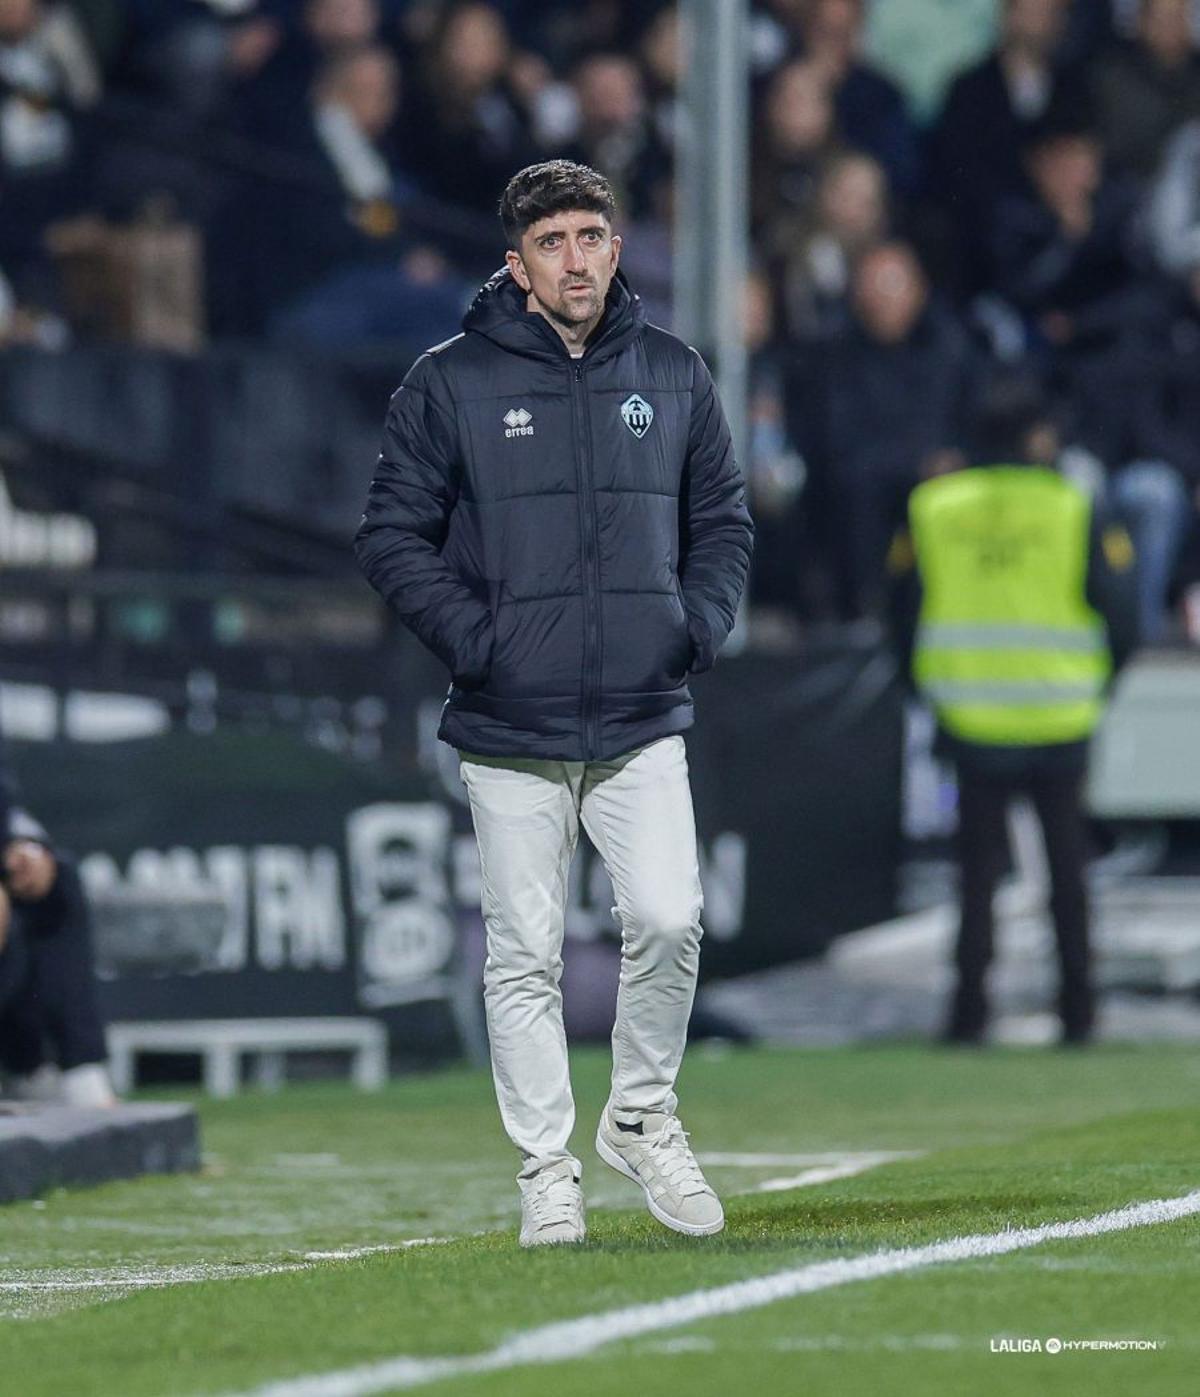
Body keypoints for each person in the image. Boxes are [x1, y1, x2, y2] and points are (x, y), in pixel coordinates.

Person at [355, 159, 753, 1246]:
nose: (575, 258)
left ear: (617, 247)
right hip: (507, 719)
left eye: (591, 236)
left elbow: (722, 516)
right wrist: (479, 640)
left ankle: (640, 1112)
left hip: (641, 707)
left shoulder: (674, 371)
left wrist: (695, 625)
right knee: (522, 953)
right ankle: (547, 1168)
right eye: (552, 243)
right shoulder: (448, 380)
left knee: (670, 917)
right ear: (517, 264)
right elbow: (389, 533)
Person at [890, 375, 1138, 1047]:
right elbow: (1122, 609)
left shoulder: (935, 506)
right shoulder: (1072, 505)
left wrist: (930, 691)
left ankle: (968, 1010)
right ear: (1038, 434)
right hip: (1061, 713)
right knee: (1068, 870)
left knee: (974, 875)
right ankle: (1079, 1009)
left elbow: (901, 612)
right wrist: (1097, 683)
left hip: (970, 715)